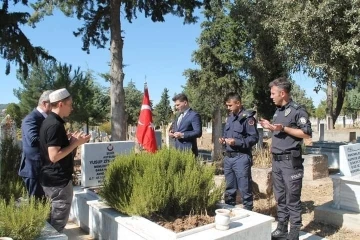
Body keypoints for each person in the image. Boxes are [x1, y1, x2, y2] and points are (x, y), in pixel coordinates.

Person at [259, 77, 312, 240]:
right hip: (277, 161)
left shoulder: (298, 110)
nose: (270, 96)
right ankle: (282, 228)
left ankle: (294, 232)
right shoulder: (278, 111)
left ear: (283, 93)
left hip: (291, 162)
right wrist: (270, 127)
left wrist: (285, 128)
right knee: (280, 196)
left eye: (273, 93)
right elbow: (279, 131)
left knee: (292, 198)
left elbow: (306, 133)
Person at [39, 88, 91, 232]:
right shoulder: (54, 125)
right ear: (61, 104)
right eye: (70, 104)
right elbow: (54, 156)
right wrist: (76, 143)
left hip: (51, 179)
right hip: (58, 182)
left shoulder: (50, 121)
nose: (72, 108)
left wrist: (70, 141)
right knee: (57, 225)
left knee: (51, 222)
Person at [218, 92, 259, 211]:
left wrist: (236, 142)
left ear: (238, 103)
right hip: (228, 157)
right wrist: (223, 139)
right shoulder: (230, 118)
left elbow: (253, 138)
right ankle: (229, 210)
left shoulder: (248, 118)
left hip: (241, 158)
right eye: (227, 105)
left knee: (244, 188)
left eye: (230, 105)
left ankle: (248, 213)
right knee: (229, 188)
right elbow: (227, 134)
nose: (228, 108)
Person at [18, 90, 53, 199]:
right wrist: (55, 140)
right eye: (53, 104)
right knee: (37, 204)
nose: (56, 107)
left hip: (45, 169)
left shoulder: (47, 119)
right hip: (33, 170)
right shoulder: (31, 118)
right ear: (44, 103)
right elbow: (33, 140)